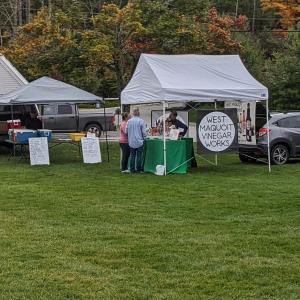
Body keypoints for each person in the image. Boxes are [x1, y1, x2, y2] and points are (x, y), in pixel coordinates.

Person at [125, 107, 147, 173]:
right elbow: (144, 132)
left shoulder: (129, 121)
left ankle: (132, 169)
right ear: (138, 113)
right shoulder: (141, 121)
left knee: (132, 155)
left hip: (131, 141)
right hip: (139, 141)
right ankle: (138, 169)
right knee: (139, 156)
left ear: (133, 113)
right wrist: (144, 137)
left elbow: (126, 131)